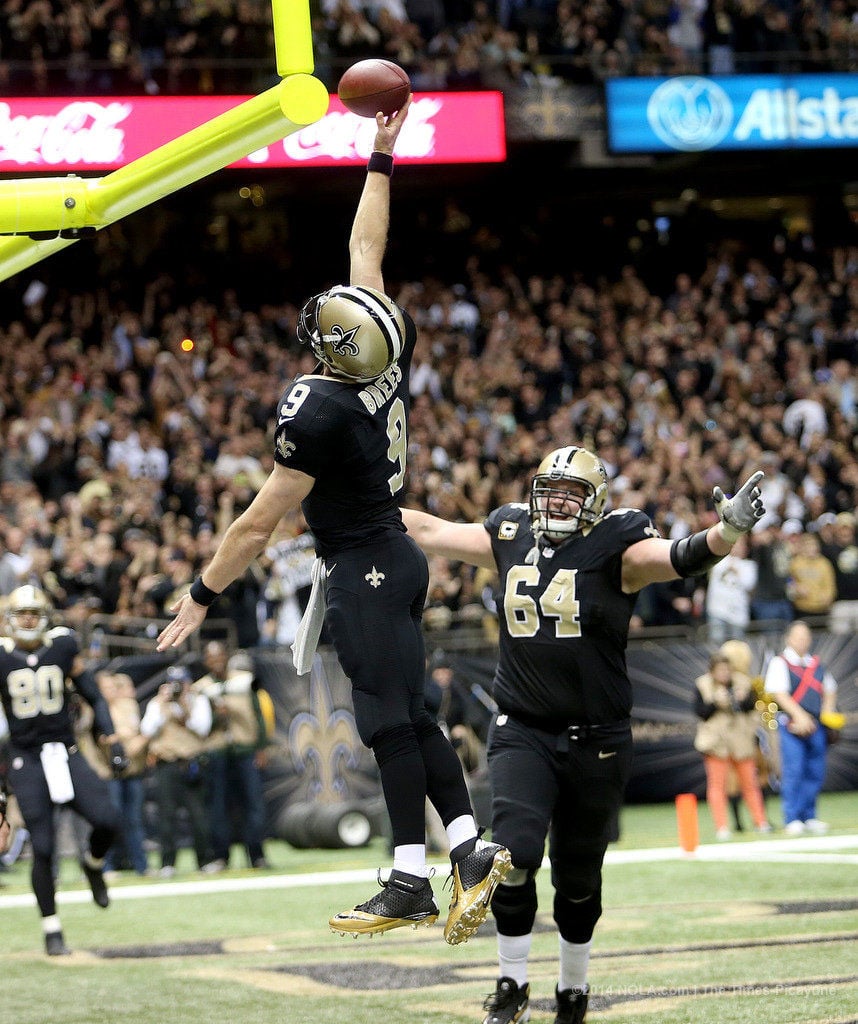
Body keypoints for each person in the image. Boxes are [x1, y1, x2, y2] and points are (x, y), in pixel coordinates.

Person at [155, 99, 510, 944]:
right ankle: (465, 850)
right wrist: (380, 154)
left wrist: (203, 592)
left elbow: (253, 526)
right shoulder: (383, 355)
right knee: (412, 714)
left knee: (387, 721)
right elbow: (366, 250)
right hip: (388, 552)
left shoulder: (316, 409)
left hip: (366, 561)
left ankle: (409, 878)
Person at [402, 447, 765, 1024]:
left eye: (572, 492)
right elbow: (430, 529)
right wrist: (355, 505)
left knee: (577, 877)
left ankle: (573, 990)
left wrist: (725, 531)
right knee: (513, 855)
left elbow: (679, 557)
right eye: (550, 490)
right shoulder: (511, 531)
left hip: (598, 737)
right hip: (523, 726)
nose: (558, 502)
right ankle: (511, 983)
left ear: (595, 503)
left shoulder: (617, 543)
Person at [0, 585, 126, 955]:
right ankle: (51, 928)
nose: (26, 619)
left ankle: (93, 863)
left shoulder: (62, 646)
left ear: (44, 617)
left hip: (66, 750)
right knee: (43, 844)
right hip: (26, 758)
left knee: (109, 820)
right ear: (9, 619)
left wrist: (112, 737)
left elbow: (93, 694)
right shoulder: (2, 657)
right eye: (20, 613)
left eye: (33, 613)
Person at [193, 641, 271, 871]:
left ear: (226, 656)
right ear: (205, 661)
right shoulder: (202, 687)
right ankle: (221, 857)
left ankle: (257, 855)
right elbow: (200, 725)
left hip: (245, 749)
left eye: (219, 656)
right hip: (218, 751)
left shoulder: (245, 680)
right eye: (211, 657)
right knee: (218, 806)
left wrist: (262, 747)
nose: (216, 661)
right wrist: (216, 716)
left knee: (253, 803)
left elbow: (259, 714)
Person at [763, 620, 838, 836]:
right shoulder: (780, 662)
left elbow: (830, 689)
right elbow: (779, 693)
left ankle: (809, 815)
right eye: (798, 637)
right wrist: (800, 716)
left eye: (806, 637)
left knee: (814, 771)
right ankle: (792, 817)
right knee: (793, 770)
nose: (803, 641)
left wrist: (826, 713)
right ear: (789, 638)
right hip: (791, 725)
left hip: (816, 725)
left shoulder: (816, 663)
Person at [139, 664, 213, 876]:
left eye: (182, 683)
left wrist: (184, 706)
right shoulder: (158, 704)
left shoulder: (198, 701)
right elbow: (147, 729)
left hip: (191, 763)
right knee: (166, 814)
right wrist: (163, 703)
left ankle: (204, 860)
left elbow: (202, 727)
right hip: (167, 763)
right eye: (175, 684)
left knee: (198, 814)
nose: (179, 687)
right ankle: (167, 863)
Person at [693, 651, 771, 841]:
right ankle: (722, 826)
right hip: (716, 742)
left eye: (727, 669)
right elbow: (700, 712)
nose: (724, 674)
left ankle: (761, 822)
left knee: (750, 784)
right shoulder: (702, 684)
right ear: (711, 672)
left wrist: (742, 699)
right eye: (720, 670)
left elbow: (752, 707)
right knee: (717, 785)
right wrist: (715, 702)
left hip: (741, 740)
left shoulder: (743, 682)